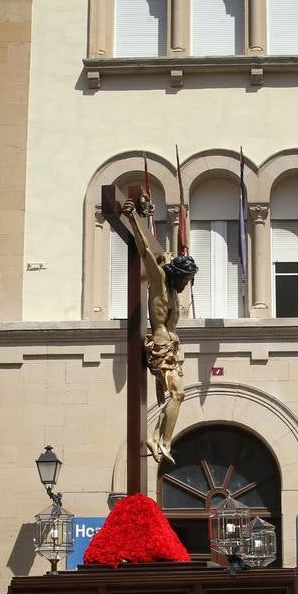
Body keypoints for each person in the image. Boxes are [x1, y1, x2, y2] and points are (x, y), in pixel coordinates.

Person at [122, 191, 198, 463]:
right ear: (177, 273)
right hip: (159, 347)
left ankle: (156, 438)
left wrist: (147, 214)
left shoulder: (174, 292)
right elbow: (145, 250)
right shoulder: (160, 281)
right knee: (178, 393)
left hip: (171, 350)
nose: (187, 283)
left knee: (176, 395)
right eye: (187, 278)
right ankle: (161, 440)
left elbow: (156, 248)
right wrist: (133, 218)